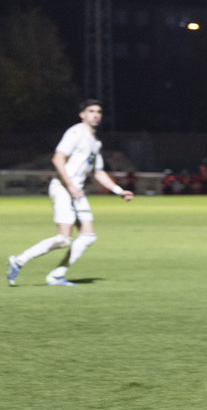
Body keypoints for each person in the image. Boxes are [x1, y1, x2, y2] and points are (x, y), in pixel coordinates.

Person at [7, 100, 134, 286]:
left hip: (77, 192)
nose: (95, 115)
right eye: (91, 111)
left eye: (98, 111)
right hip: (63, 188)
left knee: (88, 236)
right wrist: (70, 185)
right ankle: (19, 260)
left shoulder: (95, 142)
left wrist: (119, 190)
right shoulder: (76, 132)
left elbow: (98, 172)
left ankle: (57, 275)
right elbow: (57, 159)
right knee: (64, 239)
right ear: (82, 114)